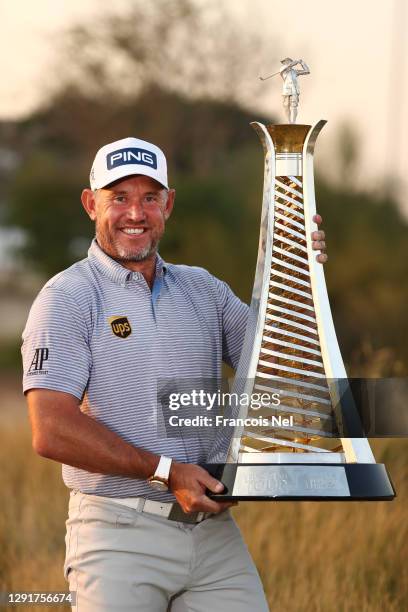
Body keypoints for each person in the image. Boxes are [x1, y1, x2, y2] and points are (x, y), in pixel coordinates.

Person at [22, 136, 327, 611]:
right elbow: (51, 429)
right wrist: (167, 472)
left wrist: (299, 277)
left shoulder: (203, 289)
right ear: (90, 204)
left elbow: (285, 365)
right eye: (118, 197)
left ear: (170, 204)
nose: (135, 213)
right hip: (116, 534)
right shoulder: (66, 297)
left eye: (150, 197)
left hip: (212, 536)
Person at [280, 57, 310, 123]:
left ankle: (293, 122)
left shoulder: (294, 71)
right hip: (286, 91)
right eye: (285, 62)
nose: (285, 63)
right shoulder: (283, 70)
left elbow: (307, 71)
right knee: (286, 105)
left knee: (294, 106)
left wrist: (302, 63)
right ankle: (289, 121)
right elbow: (288, 66)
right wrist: (295, 62)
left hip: (294, 90)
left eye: (287, 61)